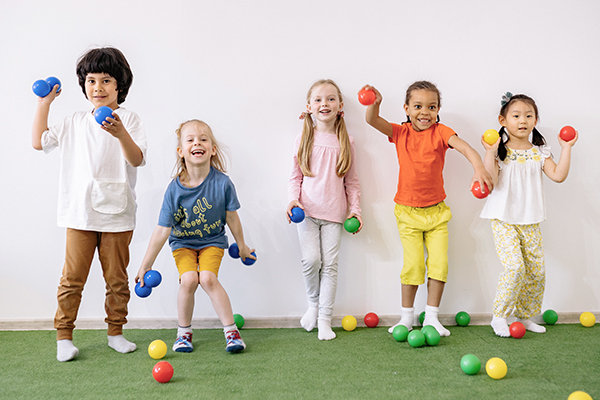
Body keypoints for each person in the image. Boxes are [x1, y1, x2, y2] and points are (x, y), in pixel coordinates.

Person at [31, 47, 146, 361]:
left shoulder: (130, 120)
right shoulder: (73, 121)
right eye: (92, 80)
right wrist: (45, 103)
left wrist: (120, 132)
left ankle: (115, 333)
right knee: (72, 279)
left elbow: (137, 159)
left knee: (117, 280)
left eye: (106, 80)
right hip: (79, 214)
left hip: (119, 214)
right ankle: (64, 338)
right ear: (83, 85)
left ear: (119, 85)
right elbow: (39, 141)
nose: (98, 87)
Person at [363, 81, 493, 337]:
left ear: (438, 109)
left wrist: (479, 168)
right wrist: (374, 104)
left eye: (431, 107)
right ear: (407, 108)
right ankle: (407, 318)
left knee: (439, 264)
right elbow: (372, 120)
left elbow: (466, 147)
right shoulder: (400, 132)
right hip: (407, 213)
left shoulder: (442, 132)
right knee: (412, 266)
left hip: (436, 213)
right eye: (418, 106)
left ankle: (432, 317)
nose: (425, 112)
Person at [137, 120, 254, 353]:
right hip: (183, 243)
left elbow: (232, 218)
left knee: (208, 279)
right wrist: (145, 265)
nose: (197, 143)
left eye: (203, 139)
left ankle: (231, 332)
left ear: (212, 149)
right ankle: (183, 334)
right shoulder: (174, 189)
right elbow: (162, 230)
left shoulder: (223, 183)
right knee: (189, 280)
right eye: (190, 139)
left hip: (212, 241)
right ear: (181, 151)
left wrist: (242, 246)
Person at [480, 93, 577, 337]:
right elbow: (490, 180)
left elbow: (558, 175)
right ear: (503, 120)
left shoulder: (540, 152)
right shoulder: (501, 151)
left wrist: (566, 148)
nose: (522, 120)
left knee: (536, 271)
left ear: (535, 120)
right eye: (516, 116)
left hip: (530, 220)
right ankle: (499, 316)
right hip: (503, 219)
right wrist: (489, 152)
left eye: (528, 115)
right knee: (514, 268)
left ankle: (524, 316)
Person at [287, 79, 362, 341]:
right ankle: (313, 305)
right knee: (311, 261)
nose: (324, 104)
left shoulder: (347, 141)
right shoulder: (303, 138)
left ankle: (324, 320)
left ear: (340, 106)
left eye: (330, 99)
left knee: (330, 265)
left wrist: (356, 211)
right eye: (318, 99)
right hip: (306, 212)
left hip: (334, 215)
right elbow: (295, 177)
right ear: (309, 107)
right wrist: (292, 201)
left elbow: (351, 182)